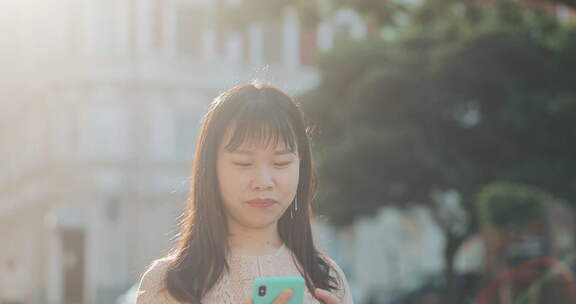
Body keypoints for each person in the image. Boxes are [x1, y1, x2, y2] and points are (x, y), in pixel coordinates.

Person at [136, 82, 354, 304]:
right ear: (211, 169)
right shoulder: (169, 284)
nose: (263, 182)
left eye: (281, 163)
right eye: (244, 163)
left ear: (301, 167)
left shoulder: (327, 279)